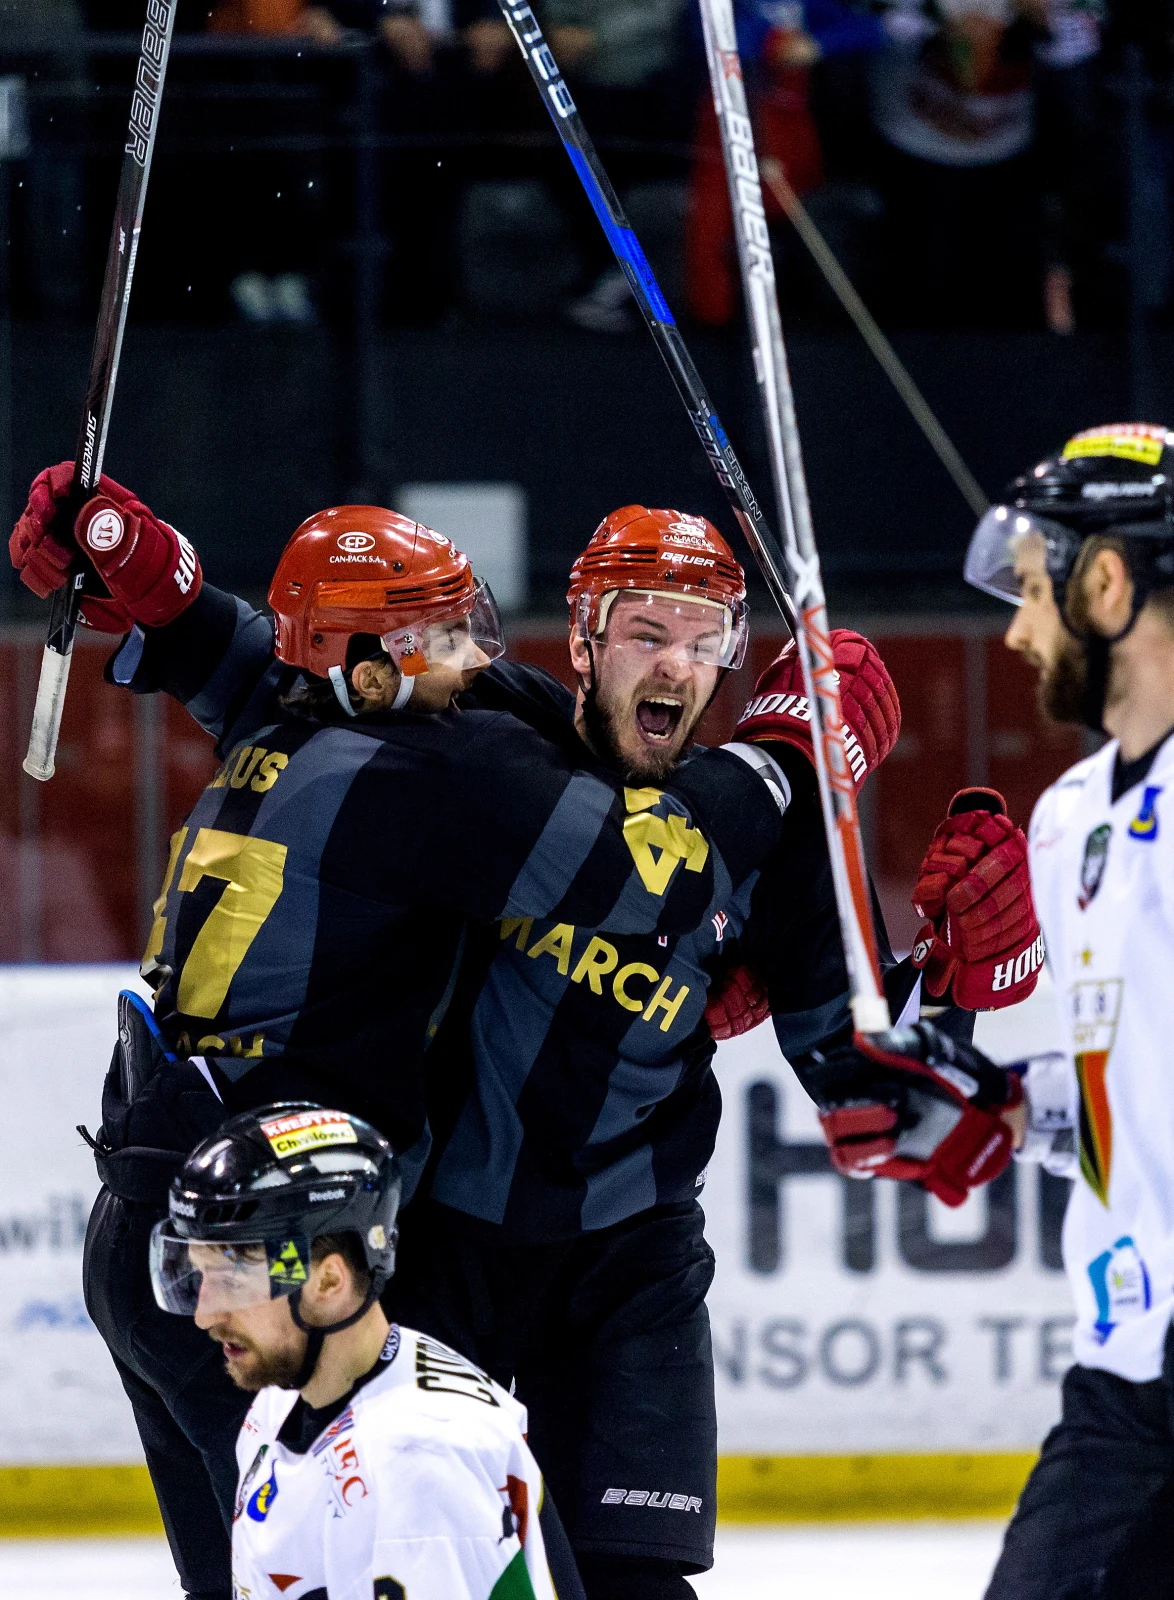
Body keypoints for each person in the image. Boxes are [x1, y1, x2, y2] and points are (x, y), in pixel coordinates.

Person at [11, 476, 1037, 1597]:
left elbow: (871, 1102)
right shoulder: (483, 748)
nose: (675, 664)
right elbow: (645, 861)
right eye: (646, 629)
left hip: (623, 1262)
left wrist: (967, 976)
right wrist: (797, 750)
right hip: (433, 1245)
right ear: (586, 639)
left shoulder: (761, 842)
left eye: (706, 639)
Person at [815, 420, 1174, 1596]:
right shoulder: (1072, 816)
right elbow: (1135, 1087)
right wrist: (1007, 1110)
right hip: (1126, 1371)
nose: (1014, 628)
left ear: (1108, 584)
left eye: (1031, 591)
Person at [151, 1099, 560, 1600]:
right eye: (200, 1274)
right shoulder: (286, 1400)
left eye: (234, 1280)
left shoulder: (416, 1465)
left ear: (328, 1282)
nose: (205, 1315)